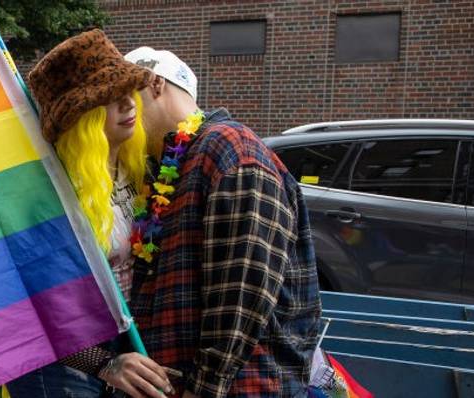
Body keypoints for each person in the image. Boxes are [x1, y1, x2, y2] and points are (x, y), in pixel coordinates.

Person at [118, 46, 322, 397]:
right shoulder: (169, 164)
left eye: (125, 98)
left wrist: (204, 388)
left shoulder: (230, 147)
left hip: (239, 388)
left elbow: (243, 292)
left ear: (154, 83)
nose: (122, 112)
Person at [13, 29, 172, 398]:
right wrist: (104, 364)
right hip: (63, 365)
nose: (128, 104)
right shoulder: (50, 195)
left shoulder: (141, 170)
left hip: (124, 345)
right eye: (108, 99)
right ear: (81, 117)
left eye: (128, 91)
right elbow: (36, 306)